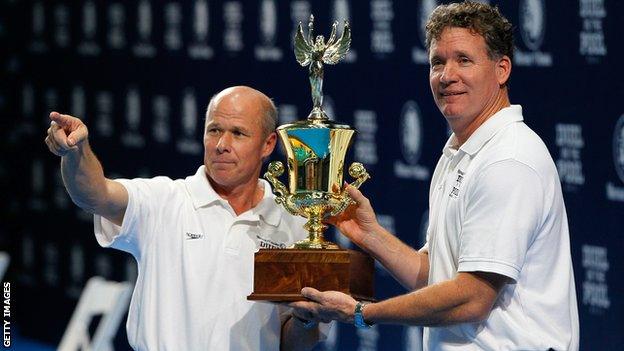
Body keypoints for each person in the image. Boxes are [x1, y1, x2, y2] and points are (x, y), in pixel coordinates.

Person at [290, 2, 579, 350]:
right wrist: (371, 235)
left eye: (464, 60)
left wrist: (362, 313)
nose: (447, 75)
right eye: (437, 62)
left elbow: (472, 296)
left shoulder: (508, 160)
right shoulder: (460, 152)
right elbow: (437, 274)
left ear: (502, 69)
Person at [45, 86, 326, 351]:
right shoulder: (163, 200)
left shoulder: (295, 222)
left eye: (238, 133)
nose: (221, 145)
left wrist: (305, 319)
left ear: (268, 144)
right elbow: (95, 194)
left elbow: (290, 343)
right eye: (214, 130)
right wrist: (74, 153)